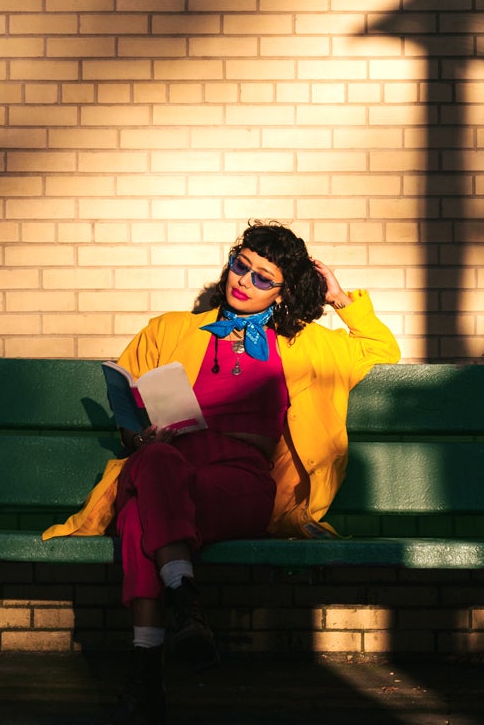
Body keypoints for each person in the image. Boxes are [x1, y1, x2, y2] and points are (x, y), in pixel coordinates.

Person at [41, 221, 401, 723]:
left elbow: (381, 350)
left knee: (141, 519)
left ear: (285, 291)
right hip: (167, 463)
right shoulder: (169, 329)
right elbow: (128, 412)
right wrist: (140, 437)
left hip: (241, 481)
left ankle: (148, 667)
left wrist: (340, 298)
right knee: (155, 470)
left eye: (261, 278)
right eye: (240, 265)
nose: (243, 281)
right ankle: (183, 604)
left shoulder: (304, 344)